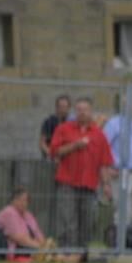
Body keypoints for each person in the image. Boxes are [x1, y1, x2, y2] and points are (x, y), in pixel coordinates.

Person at [49, 97, 114, 250]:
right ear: (74, 111)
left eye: (85, 110)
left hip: (89, 185)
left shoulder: (99, 134)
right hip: (67, 183)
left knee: (88, 220)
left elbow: (104, 163)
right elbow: (54, 152)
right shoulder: (63, 129)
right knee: (68, 220)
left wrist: (106, 185)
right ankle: (67, 251)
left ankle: (82, 252)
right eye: (79, 110)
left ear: (91, 112)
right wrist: (74, 146)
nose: (82, 113)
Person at [101, 110, 132, 226]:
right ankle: (117, 237)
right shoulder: (113, 123)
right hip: (119, 173)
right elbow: (102, 146)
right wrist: (107, 170)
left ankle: (125, 237)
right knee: (122, 212)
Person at [0, 188, 55, 262]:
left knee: (51, 252)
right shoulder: (9, 212)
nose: (23, 203)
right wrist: (40, 247)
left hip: (30, 247)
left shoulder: (28, 215)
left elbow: (38, 233)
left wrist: (44, 244)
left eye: (26, 200)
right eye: (20, 200)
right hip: (15, 250)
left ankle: (57, 257)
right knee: (48, 257)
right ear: (13, 200)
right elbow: (18, 238)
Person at [38, 94, 71, 162]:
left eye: (65, 107)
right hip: (51, 159)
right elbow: (42, 143)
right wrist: (52, 154)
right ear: (56, 108)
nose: (63, 109)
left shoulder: (72, 122)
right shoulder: (49, 122)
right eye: (60, 107)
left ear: (69, 108)